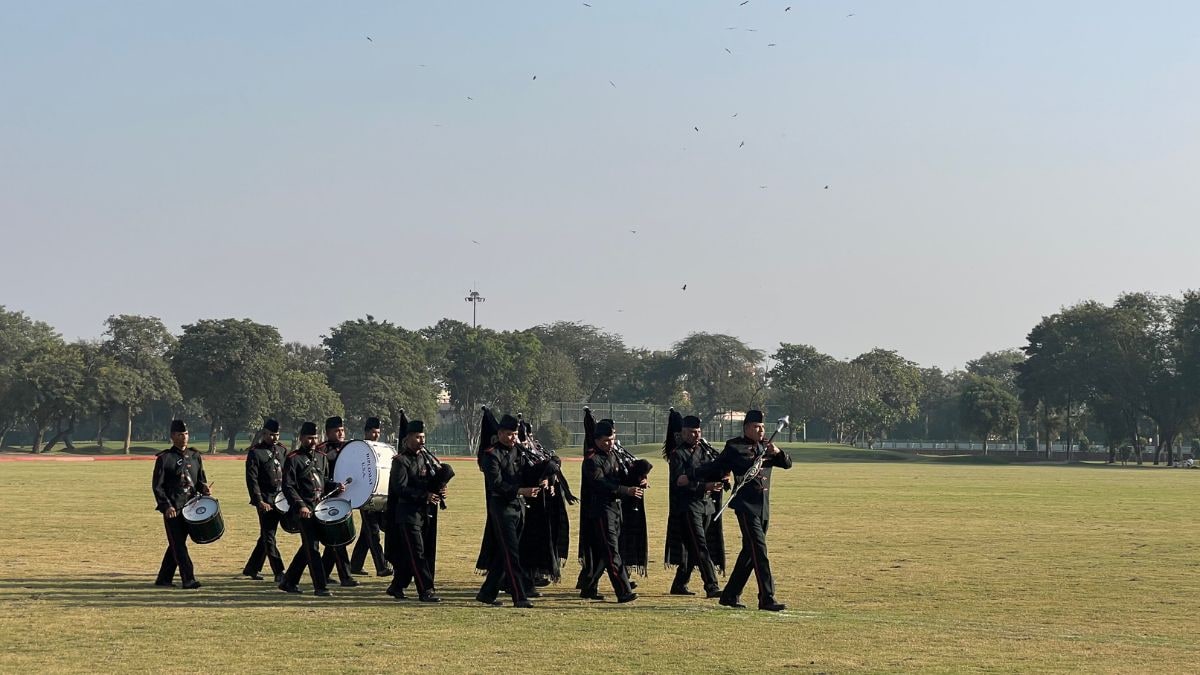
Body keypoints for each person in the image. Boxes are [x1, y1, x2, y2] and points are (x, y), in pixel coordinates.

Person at [710, 410, 792, 611]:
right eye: (756, 427)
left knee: (749, 552)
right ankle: (766, 597)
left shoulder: (767, 447)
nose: (761, 430)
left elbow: (787, 464)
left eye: (763, 427)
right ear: (746, 428)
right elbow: (717, 466)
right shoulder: (734, 446)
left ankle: (730, 595)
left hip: (763, 506)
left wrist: (778, 452)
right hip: (746, 506)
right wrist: (714, 477)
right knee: (759, 551)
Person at [475, 410, 539, 608]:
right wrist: (521, 490)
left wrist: (546, 472)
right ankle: (519, 595)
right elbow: (496, 484)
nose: (513, 438)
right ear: (500, 433)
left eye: (515, 433)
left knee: (505, 553)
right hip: (502, 508)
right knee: (512, 555)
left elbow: (528, 471)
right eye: (510, 434)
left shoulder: (519, 451)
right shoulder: (491, 455)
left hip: (518, 507)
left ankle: (487, 593)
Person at [663, 412, 724, 598]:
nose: (695, 435)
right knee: (700, 546)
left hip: (706, 505)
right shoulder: (678, 454)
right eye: (691, 432)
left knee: (692, 547)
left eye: (697, 431)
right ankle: (711, 585)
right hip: (687, 506)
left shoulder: (705, 450)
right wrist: (705, 485)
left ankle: (679, 584)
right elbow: (680, 481)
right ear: (682, 433)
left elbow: (715, 468)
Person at [578, 420, 639, 603]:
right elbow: (600, 484)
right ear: (596, 440)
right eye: (605, 440)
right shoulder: (591, 460)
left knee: (601, 554)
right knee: (612, 552)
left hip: (615, 509)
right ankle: (623, 590)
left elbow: (620, 475)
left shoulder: (613, 455)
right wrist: (625, 490)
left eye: (612, 439)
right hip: (600, 510)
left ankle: (588, 587)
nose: (609, 443)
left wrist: (637, 479)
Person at [279, 421, 342, 596]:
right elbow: (288, 486)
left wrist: (336, 486)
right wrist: (300, 505)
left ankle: (289, 581)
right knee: (313, 548)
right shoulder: (293, 459)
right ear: (301, 438)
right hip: (303, 511)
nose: (313, 441)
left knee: (308, 547)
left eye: (315, 437)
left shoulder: (322, 457)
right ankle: (320, 586)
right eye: (309, 438)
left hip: (319, 508)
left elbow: (323, 482)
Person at [385, 419, 443, 602]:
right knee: (417, 553)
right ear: (408, 438)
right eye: (418, 437)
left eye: (423, 437)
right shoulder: (400, 462)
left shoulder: (425, 459)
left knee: (414, 553)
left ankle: (397, 586)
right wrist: (424, 495)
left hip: (425, 513)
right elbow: (400, 488)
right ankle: (425, 590)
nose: (421, 440)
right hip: (407, 514)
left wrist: (439, 490)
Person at [151, 419, 210, 589]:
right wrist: (166, 506)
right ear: (172, 436)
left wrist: (205, 489)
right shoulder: (165, 458)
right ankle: (188, 578)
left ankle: (163, 578)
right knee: (178, 545)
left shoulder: (195, 456)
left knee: (177, 544)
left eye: (185, 434)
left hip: (191, 508)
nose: (184, 437)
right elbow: (158, 486)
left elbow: (200, 481)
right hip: (174, 509)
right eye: (179, 434)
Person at [242, 419, 287, 582]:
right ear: (264, 434)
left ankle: (252, 568)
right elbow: (252, 479)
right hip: (265, 499)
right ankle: (279, 570)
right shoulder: (256, 452)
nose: (274, 438)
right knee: (269, 535)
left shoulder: (282, 450)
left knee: (266, 536)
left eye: (276, 435)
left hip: (281, 499)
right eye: (271, 435)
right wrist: (259, 500)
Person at [350, 416, 393, 577]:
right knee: (373, 532)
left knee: (366, 533)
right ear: (366, 432)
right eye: (374, 432)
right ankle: (381, 566)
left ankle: (355, 565)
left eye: (378, 432)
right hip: (365, 497)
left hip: (380, 495)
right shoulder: (360, 448)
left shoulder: (381, 448)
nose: (376, 435)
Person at [318, 416, 357, 587]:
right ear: (328, 433)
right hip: (329, 497)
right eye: (336, 430)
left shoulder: (350, 448)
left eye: (342, 429)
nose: (341, 433)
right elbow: (318, 477)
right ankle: (345, 576)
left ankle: (324, 573)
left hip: (345, 497)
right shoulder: (321, 450)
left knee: (335, 539)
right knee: (337, 537)